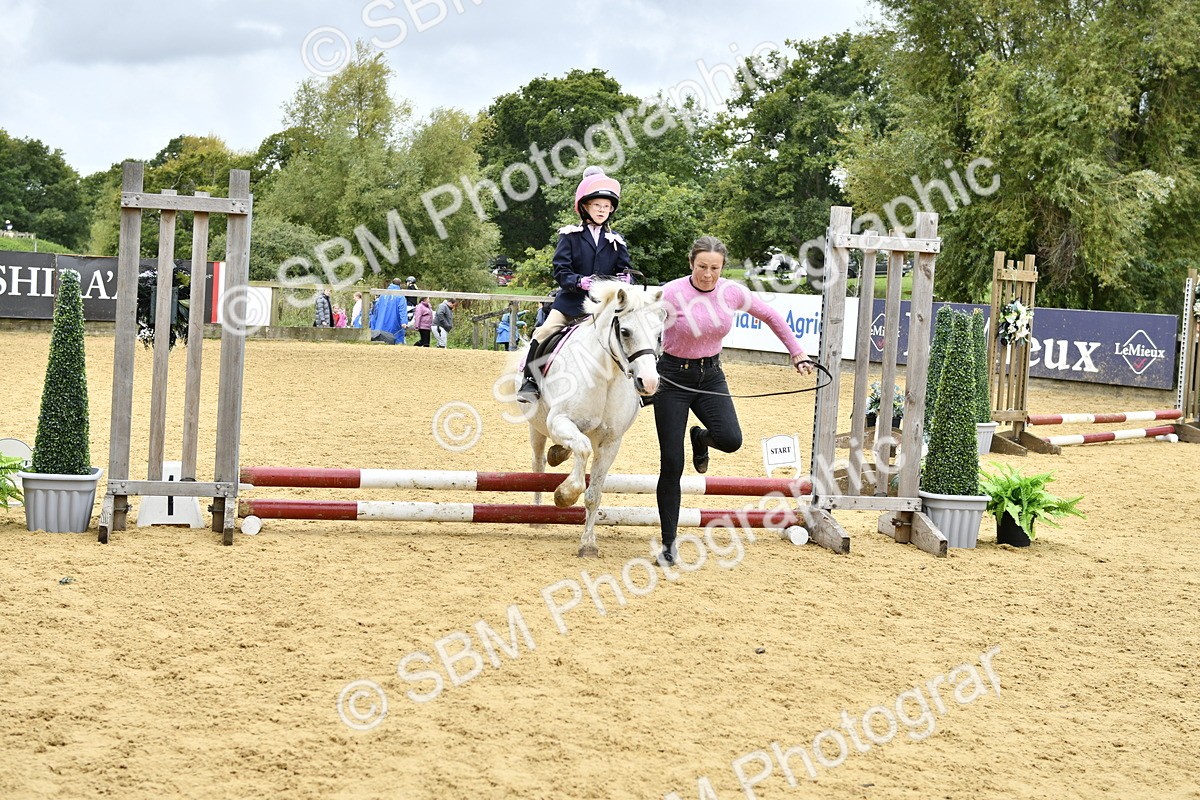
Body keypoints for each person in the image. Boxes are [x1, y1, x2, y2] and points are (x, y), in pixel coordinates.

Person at [653, 236, 814, 567]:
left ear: (723, 267)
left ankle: (701, 437)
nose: (708, 274)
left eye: (715, 268)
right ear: (690, 263)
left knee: (730, 439)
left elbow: (770, 315)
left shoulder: (732, 292)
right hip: (672, 378)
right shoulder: (670, 293)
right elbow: (639, 324)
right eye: (702, 267)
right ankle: (669, 543)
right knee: (672, 463)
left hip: (710, 375)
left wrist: (796, 352)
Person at [517, 166, 632, 403]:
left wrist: (626, 278)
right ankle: (530, 381)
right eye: (598, 205)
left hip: (602, 306)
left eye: (607, 206)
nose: (603, 210)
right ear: (585, 207)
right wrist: (579, 282)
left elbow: (624, 268)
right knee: (545, 331)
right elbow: (561, 271)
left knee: (633, 334)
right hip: (571, 303)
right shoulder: (569, 236)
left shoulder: (616, 241)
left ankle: (635, 387)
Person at [369, 278, 409, 345]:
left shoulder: (383, 294)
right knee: (394, 340)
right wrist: (404, 322)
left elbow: (376, 309)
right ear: (400, 285)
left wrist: (374, 321)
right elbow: (402, 310)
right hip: (394, 322)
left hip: (380, 322)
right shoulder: (400, 296)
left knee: (380, 339)